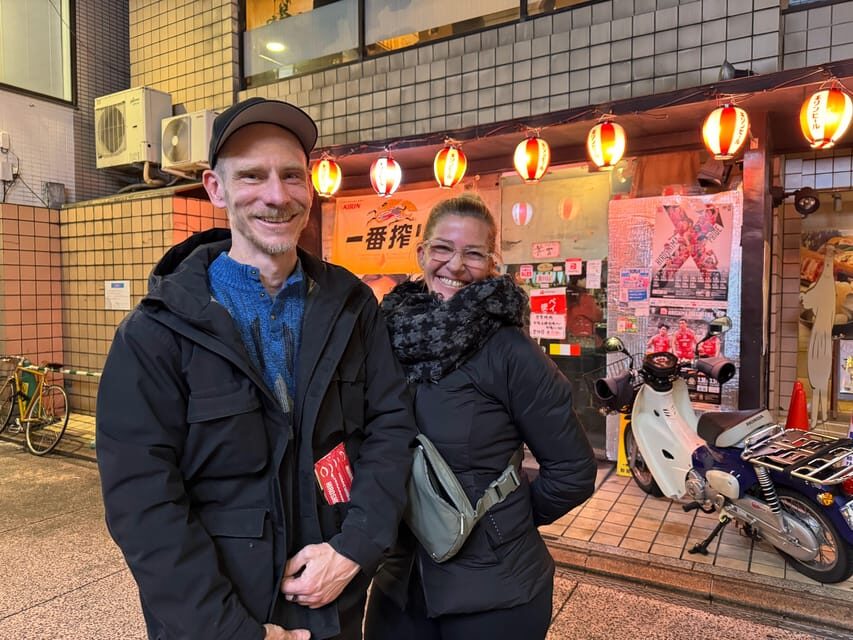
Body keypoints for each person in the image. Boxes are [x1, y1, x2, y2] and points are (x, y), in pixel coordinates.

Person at [96, 98, 417, 640]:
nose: (277, 195)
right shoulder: (156, 332)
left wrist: (354, 549)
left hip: (329, 603)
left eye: (292, 175)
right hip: (217, 617)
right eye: (252, 175)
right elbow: (143, 503)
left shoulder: (351, 305)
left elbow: (391, 428)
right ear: (215, 188)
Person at [363, 194, 597, 640]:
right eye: (442, 249)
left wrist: (499, 524)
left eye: (473, 253)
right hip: (399, 579)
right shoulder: (385, 335)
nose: (455, 265)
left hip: (495, 592)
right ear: (421, 254)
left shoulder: (510, 352)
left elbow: (573, 471)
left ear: (492, 263)